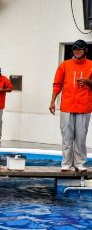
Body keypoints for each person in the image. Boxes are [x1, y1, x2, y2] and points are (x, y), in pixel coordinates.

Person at [49, 39, 92, 172]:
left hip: (84, 107)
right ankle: (66, 163)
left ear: (85, 50)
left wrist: (87, 81)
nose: (77, 51)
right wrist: (52, 101)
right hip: (67, 107)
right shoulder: (64, 65)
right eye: (74, 49)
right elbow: (57, 84)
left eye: (79, 49)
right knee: (67, 137)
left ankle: (79, 163)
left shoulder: (91, 65)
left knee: (80, 138)